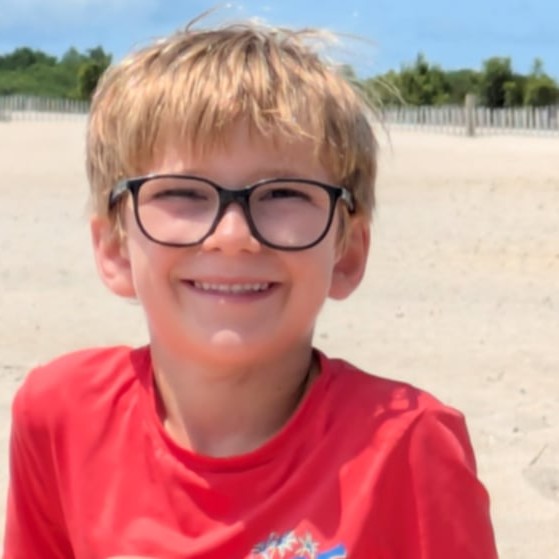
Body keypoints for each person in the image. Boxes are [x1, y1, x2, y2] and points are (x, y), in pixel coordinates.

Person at [3, 17, 498, 559]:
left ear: (348, 251)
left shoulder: (409, 447)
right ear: (115, 248)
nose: (232, 236)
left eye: (284, 193)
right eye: (182, 193)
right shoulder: (61, 417)